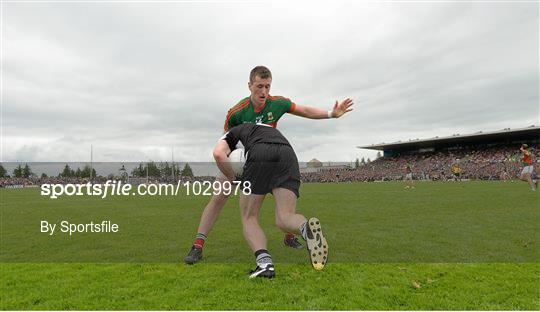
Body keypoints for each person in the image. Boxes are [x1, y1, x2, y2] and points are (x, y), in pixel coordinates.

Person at [184, 66, 352, 264]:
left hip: (268, 157)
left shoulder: (277, 103)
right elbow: (227, 143)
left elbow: (304, 110)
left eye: (267, 86)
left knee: (269, 209)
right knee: (219, 196)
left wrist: (332, 113)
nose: (264, 91)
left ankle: (288, 237)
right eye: (259, 86)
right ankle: (198, 246)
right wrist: (233, 176)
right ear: (249, 86)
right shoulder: (236, 113)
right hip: (243, 160)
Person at [213, 123, 328, 278]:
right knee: (284, 218)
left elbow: (219, 154)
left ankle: (265, 264)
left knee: (249, 217)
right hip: (288, 154)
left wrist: (233, 177)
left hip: (260, 154)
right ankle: (307, 230)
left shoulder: (232, 132)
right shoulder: (266, 129)